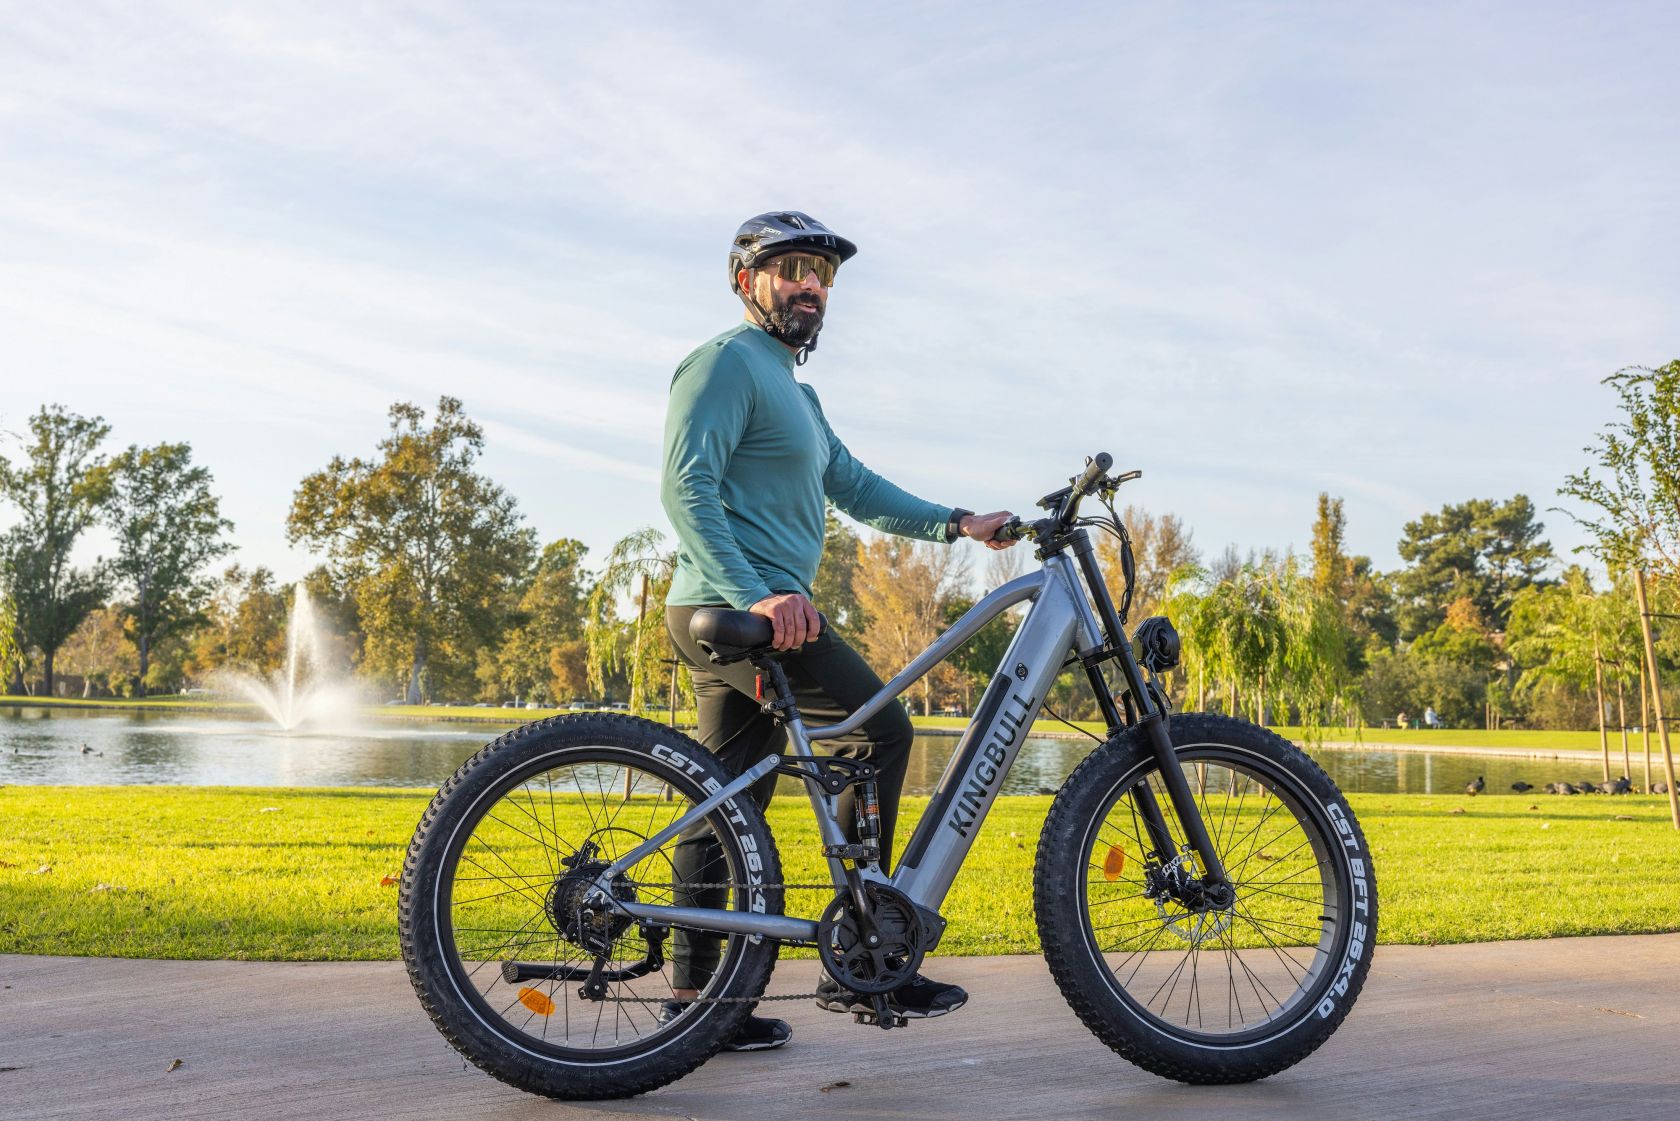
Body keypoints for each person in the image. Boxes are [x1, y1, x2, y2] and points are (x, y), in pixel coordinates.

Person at [659, 211, 1016, 1051]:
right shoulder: (723, 364)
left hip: (751, 612)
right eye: (790, 269)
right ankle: (862, 948)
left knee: (729, 800)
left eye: (821, 272)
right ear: (746, 280)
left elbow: (858, 487)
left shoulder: (798, 393)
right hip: (745, 608)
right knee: (879, 729)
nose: (811, 284)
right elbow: (686, 489)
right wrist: (759, 593)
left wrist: (960, 523)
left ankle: (696, 1004)